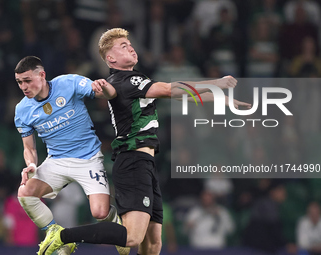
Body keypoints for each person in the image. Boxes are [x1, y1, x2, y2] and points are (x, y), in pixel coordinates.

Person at [37, 28, 251, 255]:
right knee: (132, 237)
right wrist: (217, 83)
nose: (130, 47)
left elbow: (177, 92)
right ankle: (62, 235)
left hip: (145, 164)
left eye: (130, 44)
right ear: (111, 58)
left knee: (153, 245)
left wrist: (223, 99)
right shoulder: (125, 80)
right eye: (122, 46)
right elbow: (170, 90)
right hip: (133, 162)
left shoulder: (132, 80)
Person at [13, 56, 127, 255]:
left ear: (42, 75)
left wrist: (103, 88)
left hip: (88, 158)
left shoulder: (68, 83)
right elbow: (29, 148)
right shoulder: (22, 110)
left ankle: (115, 222)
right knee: (24, 193)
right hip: (57, 160)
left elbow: (100, 92)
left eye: (27, 80)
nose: (23, 86)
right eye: (19, 82)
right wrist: (31, 164)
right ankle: (56, 234)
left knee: (100, 213)